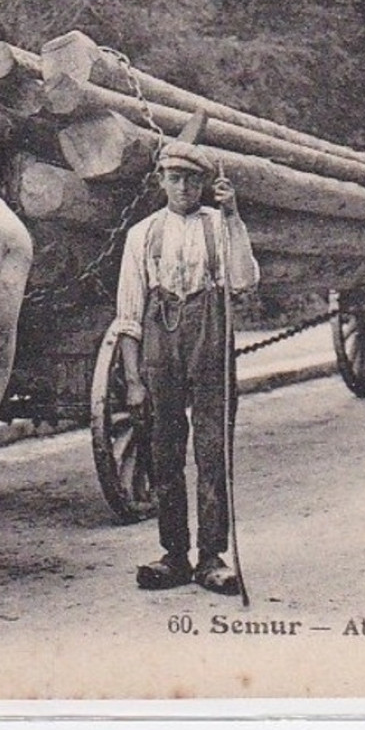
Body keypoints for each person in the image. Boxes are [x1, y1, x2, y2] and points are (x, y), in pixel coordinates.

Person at [111, 135, 259, 594]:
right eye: (175, 179)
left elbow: (243, 280)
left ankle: (212, 556)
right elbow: (129, 316)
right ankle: (173, 554)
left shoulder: (219, 225)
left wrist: (234, 216)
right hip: (161, 344)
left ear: (205, 185)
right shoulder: (143, 235)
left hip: (209, 338)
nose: (183, 189)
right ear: (162, 181)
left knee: (213, 451)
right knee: (164, 453)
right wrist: (134, 380)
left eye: (193, 181)